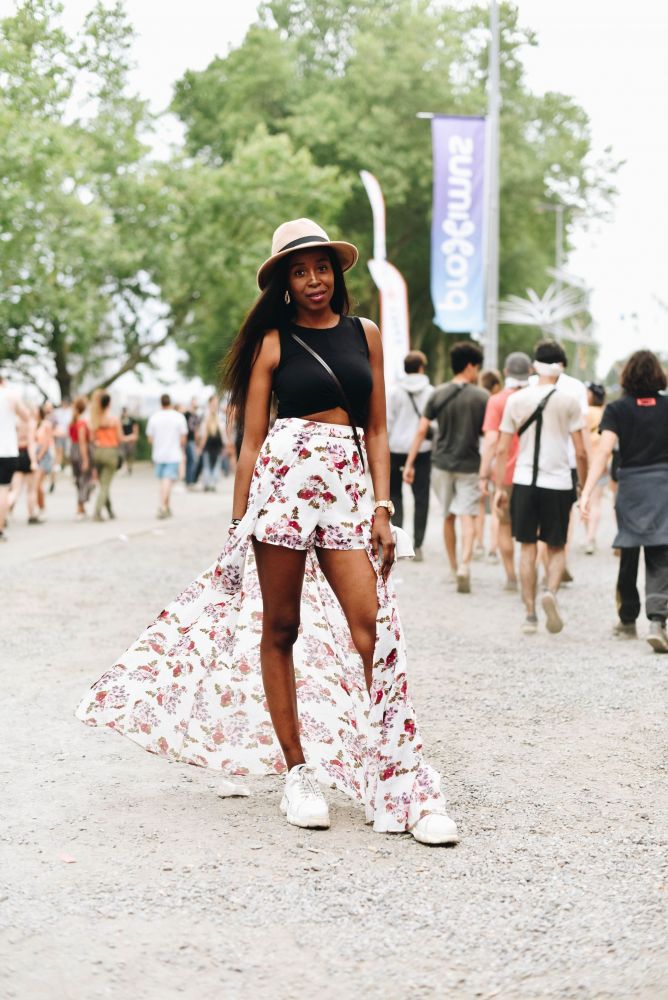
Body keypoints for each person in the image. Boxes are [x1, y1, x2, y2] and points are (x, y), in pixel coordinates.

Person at [76, 217, 459, 846]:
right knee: (280, 626)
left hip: (346, 489)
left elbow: (381, 429)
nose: (313, 280)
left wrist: (383, 508)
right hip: (281, 488)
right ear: (285, 281)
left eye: (321, 268)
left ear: (337, 273)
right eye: (300, 271)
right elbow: (251, 442)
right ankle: (297, 771)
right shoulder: (273, 343)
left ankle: (400, 775)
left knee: (376, 628)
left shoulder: (366, 335)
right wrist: (238, 523)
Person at [494, 341, 587, 634]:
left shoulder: (516, 400)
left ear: (535, 366)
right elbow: (581, 451)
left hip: (523, 481)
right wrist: (582, 485)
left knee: (527, 546)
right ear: (561, 368)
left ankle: (530, 615)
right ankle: (551, 591)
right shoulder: (570, 401)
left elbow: (501, 449)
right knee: (557, 544)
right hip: (558, 481)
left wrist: (499, 487)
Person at [580, 350, 668, 652]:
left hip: (630, 485)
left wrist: (587, 490)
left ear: (627, 375)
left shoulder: (617, 409)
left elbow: (603, 453)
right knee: (660, 550)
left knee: (629, 548)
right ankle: (657, 620)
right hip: (663, 486)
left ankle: (627, 618)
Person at [403, 340, 487, 593]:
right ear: (471, 366)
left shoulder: (437, 394)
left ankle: (452, 568)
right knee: (468, 514)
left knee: (448, 516)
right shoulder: (482, 397)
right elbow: (490, 435)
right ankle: (464, 565)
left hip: (441, 464)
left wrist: (409, 462)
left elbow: (421, 430)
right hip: (470, 465)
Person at [478, 352, 533, 591]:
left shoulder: (498, 401)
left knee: (503, 525)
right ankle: (532, 575)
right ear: (530, 372)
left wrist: (483, 473)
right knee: (534, 530)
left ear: (506, 373)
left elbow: (491, 441)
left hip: (505, 475)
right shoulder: (537, 398)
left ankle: (511, 577)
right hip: (533, 473)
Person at [386, 350, 433, 561]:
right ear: (421, 368)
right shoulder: (431, 392)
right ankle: (419, 544)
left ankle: (400, 540)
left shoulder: (395, 392)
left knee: (395, 495)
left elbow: (387, 422)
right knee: (421, 497)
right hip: (422, 450)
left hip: (396, 449)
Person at [146, 394, 188, 519]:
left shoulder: (154, 417)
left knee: (164, 481)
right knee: (167, 481)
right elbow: (183, 438)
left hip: (158, 454)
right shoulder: (178, 417)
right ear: (170, 402)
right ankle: (163, 507)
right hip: (173, 454)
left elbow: (150, 438)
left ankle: (166, 506)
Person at [0, 373, 30, 541]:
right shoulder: (11, 395)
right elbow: (26, 415)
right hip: (7, 450)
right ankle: (0, 528)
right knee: (3, 490)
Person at [90, 390, 126, 521]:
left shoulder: (96, 418)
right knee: (105, 485)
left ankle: (110, 511)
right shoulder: (114, 419)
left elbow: (92, 437)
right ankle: (97, 512)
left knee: (103, 483)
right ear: (109, 403)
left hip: (98, 451)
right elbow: (120, 438)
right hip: (110, 452)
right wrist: (132, 437)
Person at [582, 382, 609, 554]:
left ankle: (588, 535)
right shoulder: (605, 412)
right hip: (603, 462)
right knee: (597, 502)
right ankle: (591, 537)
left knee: (586, 501)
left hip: (586, 462)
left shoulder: (586, 413)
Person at [69, 396, 93, 520]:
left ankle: (81, 507)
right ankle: (80, 507)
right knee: (85, 480)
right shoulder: (82, 423)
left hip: (73, 451)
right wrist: (85, 460)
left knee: (79, 480)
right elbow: (83, 442)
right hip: (81, 452)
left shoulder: (73, 421)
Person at [198, 396, 227, 491]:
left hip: (210, 444)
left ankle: (208, 484)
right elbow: (222, 432)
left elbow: (203, 433)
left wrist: (201, 446)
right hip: (215, 444)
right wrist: (225, 444)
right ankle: (212, 484)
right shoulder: (219, 416)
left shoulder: (206, 415)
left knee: (208, 465)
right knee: (214, 465)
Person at [33, 404, 55, 521]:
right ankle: (38, 506)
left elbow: (47, 442)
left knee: (37, 484)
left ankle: (41, 508)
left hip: (44, 455)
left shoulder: (46, 424)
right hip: (35, 453)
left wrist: (38, 457)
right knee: (36, 485)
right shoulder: (34, 424)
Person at [183, 398, 201, 487]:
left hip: (193, 441)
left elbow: (197, 430)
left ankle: (190, 480)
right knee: (191, 460)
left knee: (192, 460)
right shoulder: (186, 414)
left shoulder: (197, 417)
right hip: (188, 440)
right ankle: (189, 480)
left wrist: (198, 443)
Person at [52, 397, 72, 471]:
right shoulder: (57, 412)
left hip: (67, 435)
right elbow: (54, 423)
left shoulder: (71, 412)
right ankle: (57, 466)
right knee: (59, 451)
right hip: (59, 434)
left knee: (67, 452)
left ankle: (65, 465)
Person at [120, 407, 139, 475]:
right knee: (123, 454)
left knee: (130, 455)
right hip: (123, 439)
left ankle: (129, 467)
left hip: (131, 439)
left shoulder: (132, 420)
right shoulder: (121, 419)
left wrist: (135, 436)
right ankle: (125, 468)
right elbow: (119, 429)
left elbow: (135, 428)